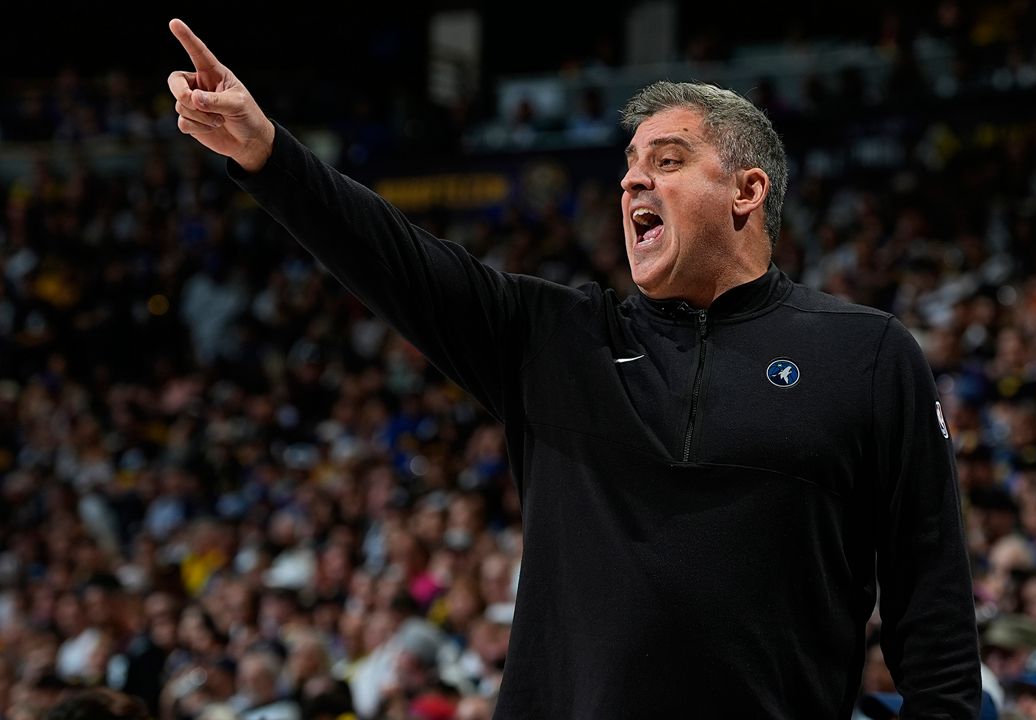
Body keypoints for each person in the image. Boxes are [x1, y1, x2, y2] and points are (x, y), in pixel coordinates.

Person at [166, 18, 982, 718]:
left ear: (747, 190)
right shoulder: (554, 338)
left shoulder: (868, 353)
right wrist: (268, 155)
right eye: (629, 162)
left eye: (666, 159)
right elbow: (397, 260)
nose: (631, 177)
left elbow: (931, 606)